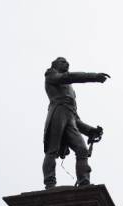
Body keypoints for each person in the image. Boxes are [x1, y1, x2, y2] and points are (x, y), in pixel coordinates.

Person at [41, 57, 109, 188]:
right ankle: (50, 182)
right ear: (54, 65)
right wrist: (94, 77)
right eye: (62, 61)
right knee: (52, 150)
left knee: (82, 150)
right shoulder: (51, 75)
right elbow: (70, 77)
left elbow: (74, 118)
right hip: (58, 112)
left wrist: (90, 131)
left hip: (69, 115)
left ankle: (84, 182)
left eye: (67, 62)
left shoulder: (70, 89)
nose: (66, 63)